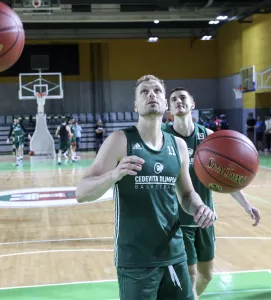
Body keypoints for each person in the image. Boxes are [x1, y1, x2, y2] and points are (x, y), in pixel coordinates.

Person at [76, 75, 216, 300]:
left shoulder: (177, 145)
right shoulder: (120, 141)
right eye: (144, 91)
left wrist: (200, 207)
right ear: (135, 105)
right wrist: (114, 174)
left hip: (175, 254)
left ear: (164, 104)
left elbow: (188, 194)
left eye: (157, 91)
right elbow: (81, 192)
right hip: (136, 260)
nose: (151, 94)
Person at [163, 87, 261, 299]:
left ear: (192, 104)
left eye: (182, 98)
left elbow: (226, 178)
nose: (178, 101)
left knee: (206, 275)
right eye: (173, 99)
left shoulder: (209, 138)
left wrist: (247, 205)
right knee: (189, 274)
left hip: (205, 219)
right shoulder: (164, 138)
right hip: (177, 220)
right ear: (169, 109)